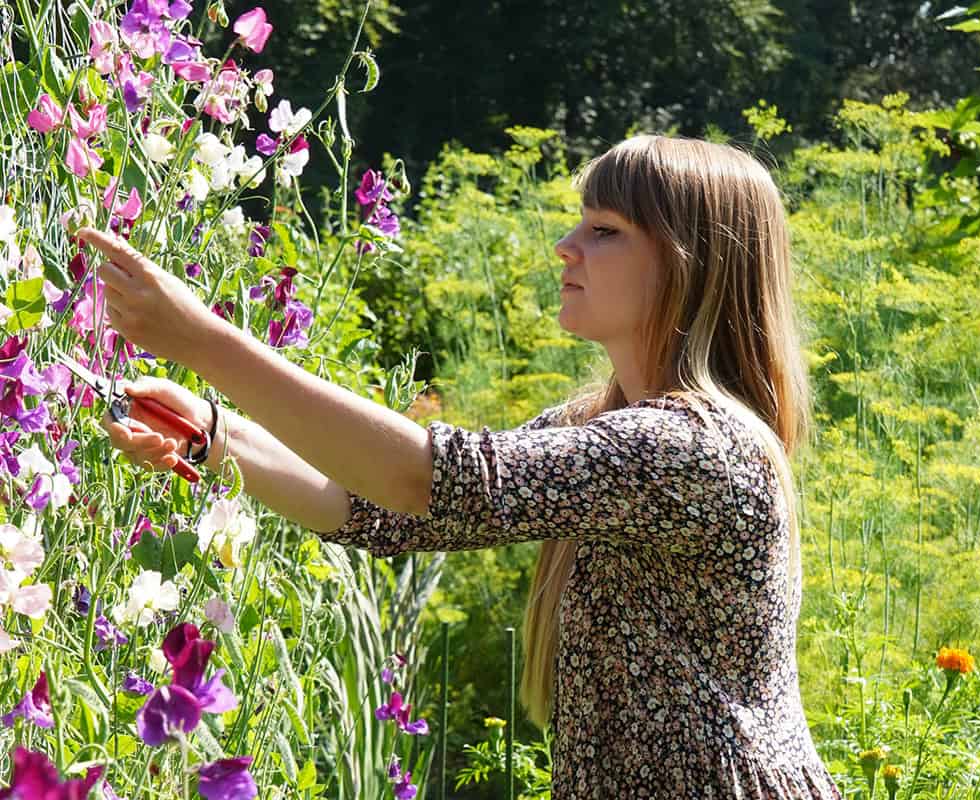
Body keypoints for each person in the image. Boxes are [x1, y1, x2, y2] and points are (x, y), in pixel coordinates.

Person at [79, 134, 843, 799]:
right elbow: (383, 505)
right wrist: (212, 433)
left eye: (605, 231)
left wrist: (201, 340)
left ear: (689, 264)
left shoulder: (692, 448)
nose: (567, 246)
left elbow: (430, 477)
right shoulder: (606, 429)